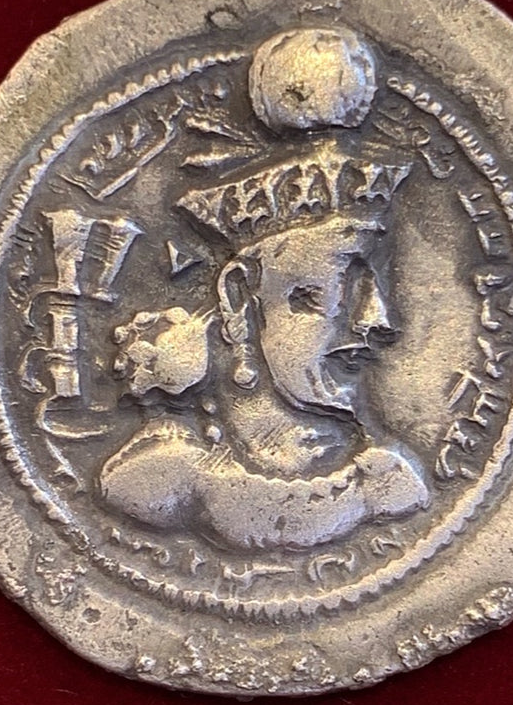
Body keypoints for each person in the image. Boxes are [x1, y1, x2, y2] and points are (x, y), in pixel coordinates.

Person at [97, 27, 430, 551]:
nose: (377, 320)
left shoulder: (392, 483)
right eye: (338, 286)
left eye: (374, 282)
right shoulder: (151, 481)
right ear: (238, 296)